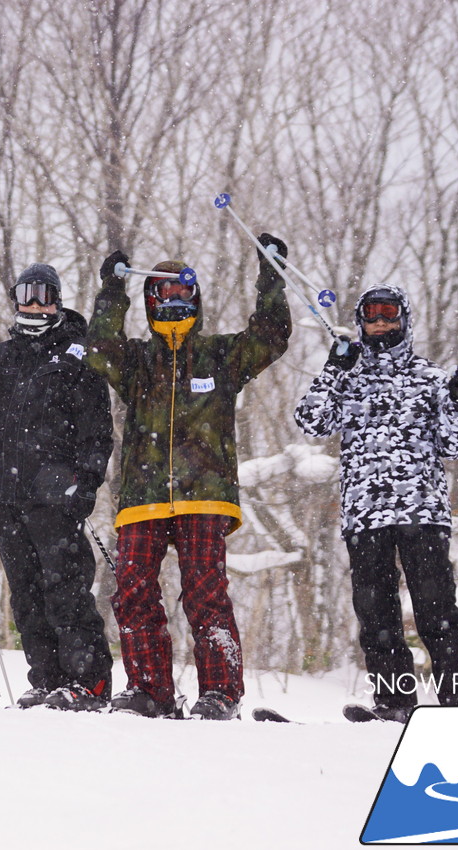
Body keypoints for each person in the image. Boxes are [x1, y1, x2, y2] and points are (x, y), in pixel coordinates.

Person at [87, 239, 291, 720]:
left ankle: (221, 693)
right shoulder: (136, 361)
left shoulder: (220, 356)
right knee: (133, 588)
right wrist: (112, 289)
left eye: (184, 290)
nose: (175, 299)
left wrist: (270, 274)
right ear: (151, 301)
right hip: (143, 496)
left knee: (205, 591)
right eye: (164, 292)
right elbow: (99, 349)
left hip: (207, 495)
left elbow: (270, 337)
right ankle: (149, 690)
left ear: (195, 299)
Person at [295, 283, 458, 722]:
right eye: (372, 317)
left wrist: (457, 400)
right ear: (361, 323)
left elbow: (454, 447)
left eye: (389, 315)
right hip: (365, 514)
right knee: (376, 615)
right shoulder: (350, 376)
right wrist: (333, 369)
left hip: (422, 511)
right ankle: (395, 704)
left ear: (404, 319)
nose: (381, 324)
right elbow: (311, 420)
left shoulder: (430, 378)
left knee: (436, 608)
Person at [0, 264, 114, 711]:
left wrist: (85, 483)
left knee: (65, 588)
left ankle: (87, 681)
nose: (35, 303)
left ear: (56, 300)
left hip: (54, 493)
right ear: (15, 299)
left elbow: (98, 429)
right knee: (26, 592)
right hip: (5, 493)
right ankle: (47, 678)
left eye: (45, 294)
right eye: (27, 294)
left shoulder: (75, 356)